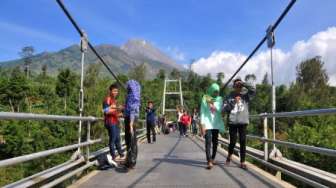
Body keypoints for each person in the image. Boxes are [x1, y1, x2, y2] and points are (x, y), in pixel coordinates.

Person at [223, 77, 256, 170]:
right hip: (233, 122)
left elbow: (253, 89)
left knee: (242, 141)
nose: (238, 87)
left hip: (243, 122)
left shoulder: (246, 96)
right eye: (237, 85)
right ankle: (229, 156)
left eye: (240, 85)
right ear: (233, 86)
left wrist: (244, 83)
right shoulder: (229, 96)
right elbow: (225, 109)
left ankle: (242, 162)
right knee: (232, 142)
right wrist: (233, 101)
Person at [200, 83, 225, 170]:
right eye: (214, 91)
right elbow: (202, 112)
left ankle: (213, 158)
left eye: (217, 92)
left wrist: (213, 103)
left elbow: (220, 110)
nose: (216, 93)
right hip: (207, 124)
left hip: (216, 123)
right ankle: (209, 161)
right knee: (208, 142)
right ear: (211, 90)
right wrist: (202, 124)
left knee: (215, 142)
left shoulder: (219, 99)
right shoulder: (205, 98)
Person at [103, 83, 124, 167]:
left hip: (115, 122)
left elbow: (114, 112)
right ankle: (113, 156)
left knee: (118, 139)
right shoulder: (107, 99)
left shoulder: (114, 101)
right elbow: (105, 111)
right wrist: (115, 108)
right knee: (113, 139)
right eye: (114, 91)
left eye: (117, 91)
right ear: (110, 91)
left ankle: (121, 155)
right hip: (110, 122)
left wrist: (120, 113)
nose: (116, 92)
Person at [124, 80, 141, 170]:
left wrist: (130, 123)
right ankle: (131, 161)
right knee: (133, 140)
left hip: (131, 120)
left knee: (130, 140)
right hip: (133, 119)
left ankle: (130, 162)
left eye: (128, 87)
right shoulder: (136, 96)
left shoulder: (131, 96)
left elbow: (132, 110)